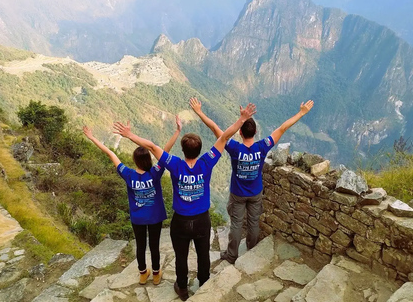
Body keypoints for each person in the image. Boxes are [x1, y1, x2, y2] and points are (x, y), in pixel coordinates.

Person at [113, 103, 256, 301]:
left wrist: (129, 135)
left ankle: (182, 287)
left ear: (182, 149)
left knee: (181, 256)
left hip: (180, 221)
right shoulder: (207, 161)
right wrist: (241, 119)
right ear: (199, 150)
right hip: (201, 220)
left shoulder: (175, 164)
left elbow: (152, 147)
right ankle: (204, 282)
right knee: (203, 254)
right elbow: (224, 137)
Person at [190, 97, 314, 264]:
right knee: (254, 223)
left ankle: (232, 255)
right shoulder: (262, 147)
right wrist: (302, 112)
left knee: (236, 224)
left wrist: (199, 112)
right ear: (255, 133)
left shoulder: (234, 147)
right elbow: (283, 127)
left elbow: (214, 128)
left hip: (238, 194)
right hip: (256, 192)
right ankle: (252, 250)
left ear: (240, 132)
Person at [82, 115, 182, 285]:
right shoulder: (155, 172)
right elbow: (164, 151)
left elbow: (110, 153)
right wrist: (177, 131)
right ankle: (156, 275)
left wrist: (92, 137)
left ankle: (143, 274)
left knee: (141, 246)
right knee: (154, 246)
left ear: (135, 160)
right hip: (155, 216)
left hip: (138, 218)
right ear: (149, 160)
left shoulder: (128, 174)